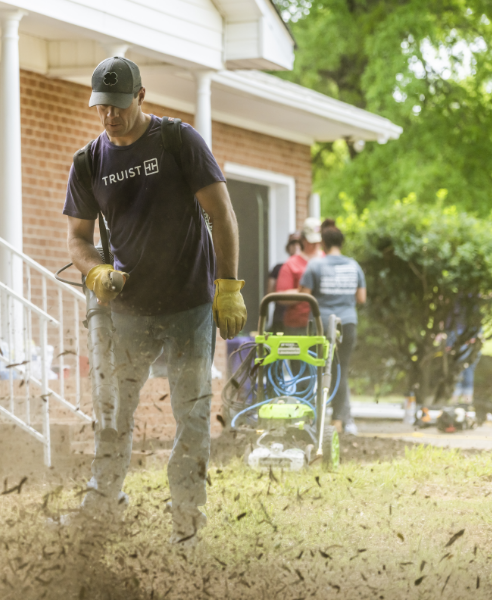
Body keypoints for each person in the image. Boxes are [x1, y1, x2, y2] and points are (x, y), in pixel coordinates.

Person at [63, 56, 246, 543]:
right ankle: (103, 506)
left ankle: (187, 521)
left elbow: (222, 214)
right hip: (127, 311)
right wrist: (96, 269)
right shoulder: (88, 162)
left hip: (188, 303)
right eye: (102, 107)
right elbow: (78, 239)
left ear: (140, 97)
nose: (110, 116)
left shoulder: (177, 140)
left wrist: (227, 286)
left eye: (119, 106)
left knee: (191, 414)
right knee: (112, 410)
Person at [298, 221, 366, 435]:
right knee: (340, 370)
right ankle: (339, 420)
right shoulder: (354, 265)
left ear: (323, 244)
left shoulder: (316, 265)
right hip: (347, 323)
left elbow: (303, 295)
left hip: (321, 325)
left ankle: (311, 420)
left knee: (315, 369)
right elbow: (361, 298)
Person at [276, 217, 323, 334]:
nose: (316, 244)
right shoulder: (291, 264)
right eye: (312, 241)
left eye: (318, 241)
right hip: (298, 324)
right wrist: (305, 291)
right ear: (303, 240)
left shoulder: (327, 259)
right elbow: (280, 296)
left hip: (323, 322)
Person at [267, 232, 302, 331]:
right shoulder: (278, 268)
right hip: (280, 317)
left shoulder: (309, 267)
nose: (296, 247)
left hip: (301, 319)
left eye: (299, 244)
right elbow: (270, 294)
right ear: (288, 247)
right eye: (293, 244)